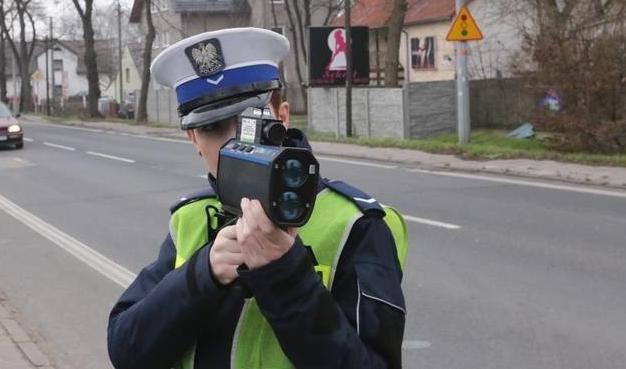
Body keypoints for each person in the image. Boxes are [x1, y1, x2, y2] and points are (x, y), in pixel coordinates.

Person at [107, 27, 406, 368]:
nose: (235, 145)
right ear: (192, 138)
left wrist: (285, 276)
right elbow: (126, 350)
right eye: (212, 128)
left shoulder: (355, 225)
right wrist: (204, 273)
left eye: (252, 123)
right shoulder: (191, 218)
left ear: (283, 117)